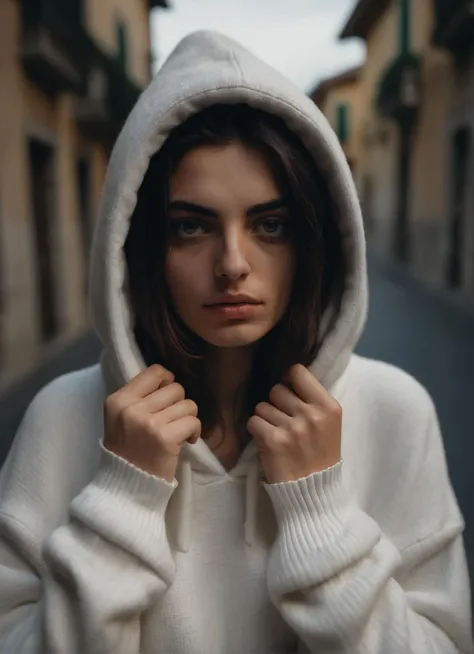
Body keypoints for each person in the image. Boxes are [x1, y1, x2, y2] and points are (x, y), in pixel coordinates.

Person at [0, 30, 472, 654]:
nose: (232, 264)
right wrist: (121, 500)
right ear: (140, 245)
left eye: (269, 225)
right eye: (190, 226)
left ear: (311, 240)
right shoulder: (62, 416)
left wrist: (318, 513)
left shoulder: (394, 411)